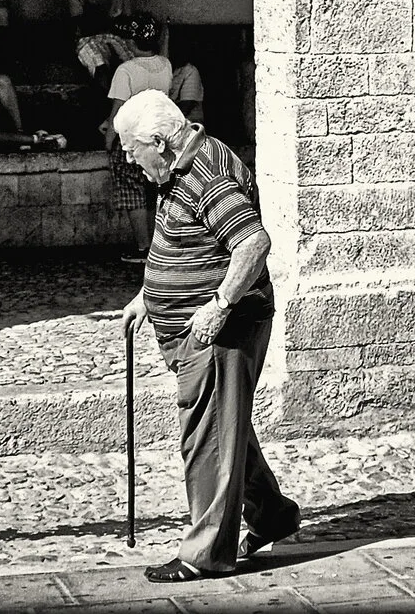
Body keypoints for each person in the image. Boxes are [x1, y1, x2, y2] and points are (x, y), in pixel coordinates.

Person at [113, 90, 298, 581]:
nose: (129, 160)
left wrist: (219, 307)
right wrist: (148, 297)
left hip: (220, 330)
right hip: (198, 327)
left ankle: (205, 554)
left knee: (208, 438)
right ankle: (271, 515)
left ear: (159, 142)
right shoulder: (177, 168)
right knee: (224, 428)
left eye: (132, 149)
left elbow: (253, 243)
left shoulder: (205, 173)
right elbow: (183, 242)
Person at [103, 14, 176, 259]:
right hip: (159, 137)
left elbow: (118, 112)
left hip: (133, 139)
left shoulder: (125, 70)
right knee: (156, 189)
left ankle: (144, 248)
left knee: (132, 190)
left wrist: (109, 141)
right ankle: (161, 246)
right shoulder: (165, 65)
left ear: (131, 42)